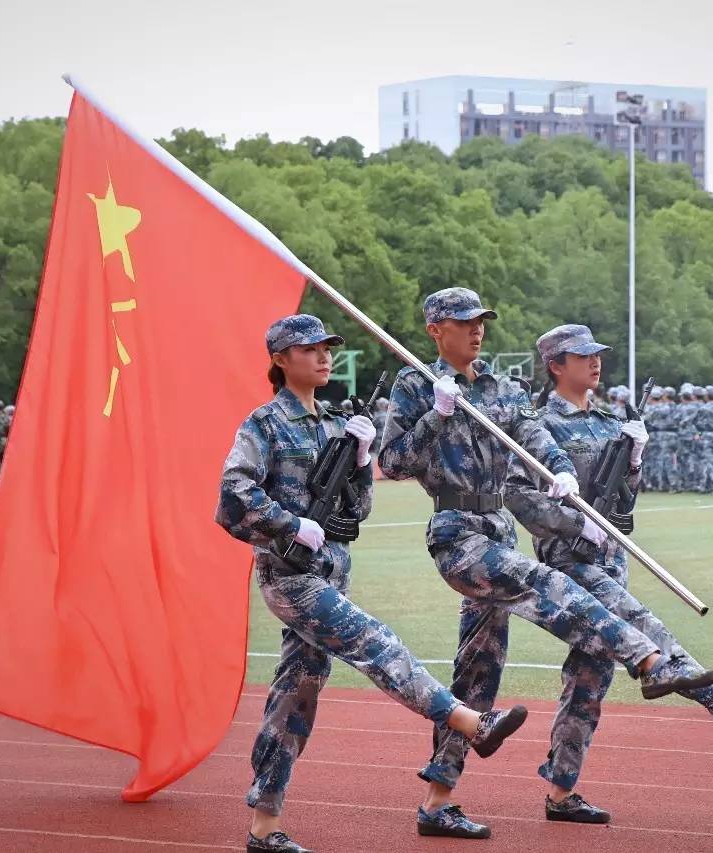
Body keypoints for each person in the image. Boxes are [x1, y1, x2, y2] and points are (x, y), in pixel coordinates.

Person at [380, 290, 713, 838]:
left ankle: (437, 804)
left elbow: (533, 438)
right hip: (457, 532)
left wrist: (560, 470)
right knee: (543, 580)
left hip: (499, 529)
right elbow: (393, 463)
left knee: (478, 669)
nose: (477, 331)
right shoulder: (416, 385)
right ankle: (651, 662)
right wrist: (434, 417)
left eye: (482, 322)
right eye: (465, 322)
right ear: (434, 329)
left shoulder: (499, 387)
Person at [217, 314, 529, 853]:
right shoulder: (264, 424)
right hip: (291, 579)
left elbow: (355, 512)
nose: (323, 356)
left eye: (326, 348)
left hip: (330, 575)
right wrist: (291, 524)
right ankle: (469, 722)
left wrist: (360, 461)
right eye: (309, 349)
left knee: (295, 697)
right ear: (280, 359)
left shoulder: (337, 425)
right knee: (374, 641)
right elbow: (231, 494)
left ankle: (263, 828)